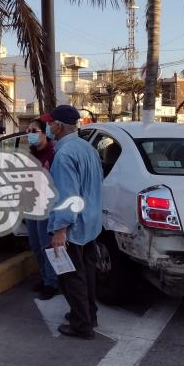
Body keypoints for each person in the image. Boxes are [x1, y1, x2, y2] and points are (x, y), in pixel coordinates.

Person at [43, 105, 103, 340]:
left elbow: (67, 196)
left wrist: (60, 230)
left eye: (50, 123)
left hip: (74, 227)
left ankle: (81, 325)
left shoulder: (65, 154)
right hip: (90, 222)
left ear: (58, 126)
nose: (49, 127)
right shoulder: (87, 148)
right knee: (87, 273)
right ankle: (89, 314)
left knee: (71, 277)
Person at [25, 118, 59, 300]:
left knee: (47, 245)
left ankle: (52, 283)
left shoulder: (53, 153)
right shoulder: (31, 154)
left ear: (45, 133)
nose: (30, 134)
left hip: (47, 207)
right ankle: (45, 277)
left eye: (34, 131)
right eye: (28, 131)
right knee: (36, 245)